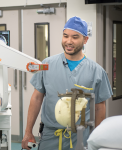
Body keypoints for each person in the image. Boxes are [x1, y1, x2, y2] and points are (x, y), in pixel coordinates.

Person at [22, 16, 113, 150]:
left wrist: (97, 139)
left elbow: (100, 107)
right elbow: (36, 98)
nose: (68, 41)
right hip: (50, 136)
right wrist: (28, 131)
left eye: (75, 37)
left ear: (85, 40)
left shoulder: (97, 71)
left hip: (81, 138)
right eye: (65, 36)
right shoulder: (47, 64)